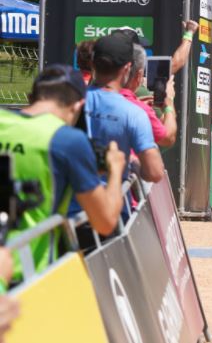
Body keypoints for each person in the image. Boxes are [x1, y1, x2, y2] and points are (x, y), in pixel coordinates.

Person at [0, 65, 125, 281]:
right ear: (78, 106)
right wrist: (115, 171)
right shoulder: (67, 141)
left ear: (31, 97)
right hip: (25, 275)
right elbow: (104, 222)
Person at [81, 33, 163, 185]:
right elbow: (155, 172)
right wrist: (133, 164)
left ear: (92, 64)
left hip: (65, 204)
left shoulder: (69, 101)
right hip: (114, 203)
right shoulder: (135, 113)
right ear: (127, 69)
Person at [121, 43, 177, 147]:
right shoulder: (140, 111)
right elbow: (168, 138)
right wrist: (169, 103)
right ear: (139, 75)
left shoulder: (90, 96)